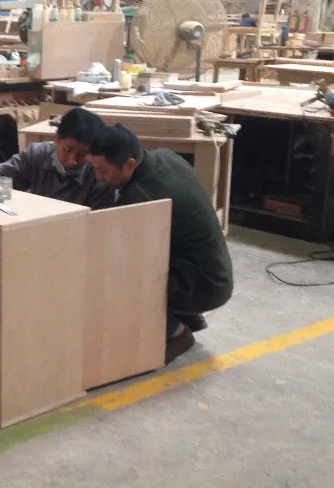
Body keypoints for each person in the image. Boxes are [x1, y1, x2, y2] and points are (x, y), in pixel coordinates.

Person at [89, 125, 233, 360]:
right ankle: (182, 314)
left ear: (130, 165)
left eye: (103, 171)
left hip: (204, 287)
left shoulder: (140, 198)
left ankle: (173, 332)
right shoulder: (166, 156)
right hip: (214, 273)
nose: (98, 177)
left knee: (116, 275)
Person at [0, 108, 116, 209]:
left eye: (83, 154)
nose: (72, 160)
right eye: (68, 150)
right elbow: (4, 172)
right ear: (56, 138)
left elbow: (94, 227)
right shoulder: (38, 155)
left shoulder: (99, 176)